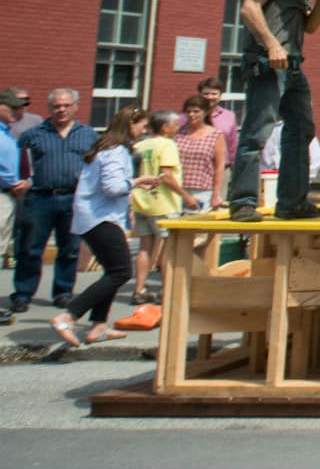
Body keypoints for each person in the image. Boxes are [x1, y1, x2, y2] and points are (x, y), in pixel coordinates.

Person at [228, 0, 320, 223]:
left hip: (292, 65)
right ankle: (242, 202)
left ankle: (292, 202)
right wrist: (271, 43)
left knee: (301, 129)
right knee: (257, 131)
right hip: (268, 61)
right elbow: (249, 8)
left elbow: (310, 26)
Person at [46, 105, 161, 354]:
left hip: (98, 216)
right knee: (121, 272)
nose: (144, 130)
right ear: (130, 125)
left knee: (112, 270)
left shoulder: (108, 148)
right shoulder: (115, 150)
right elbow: (112, 187)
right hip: (100, 218)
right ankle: (68, 315)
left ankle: (99, 325)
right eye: (142, 125)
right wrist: (138, 182)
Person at [11, 88, 96, 314]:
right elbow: (21, 164)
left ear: (75, 107)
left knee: (69, 249)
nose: (61, 110)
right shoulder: (34, 134)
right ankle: (22, 294)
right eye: (57, 106)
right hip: (40, 198)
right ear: (49, 108)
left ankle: (63, 292)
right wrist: (23, 181)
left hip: (73, 199)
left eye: (66, 105)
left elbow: (96, 167)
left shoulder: (88, 135)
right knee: (29, 248)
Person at [129, 110, 193, 306]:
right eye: (175, 125)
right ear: (165, 128)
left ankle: (139, 289)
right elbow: (166, 175)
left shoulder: (139, 144)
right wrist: (186, 196)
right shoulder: (167, 145)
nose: (177, 128)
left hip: (142, 201)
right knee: (167, 247)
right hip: (163, 202)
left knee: (145, 247)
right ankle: (166, 289)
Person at [175, 96, 227, 214]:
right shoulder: (178, 133)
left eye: (196, 111)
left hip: (202, 190)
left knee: (198, 228)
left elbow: (219, 166)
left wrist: (216, 194)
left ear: (206, 112)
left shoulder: (216, 135)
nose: (191, 114)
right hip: (179, 188)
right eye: (188, 111)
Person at [0, 91, 24, 323]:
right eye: (11, 107)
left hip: (7, 195)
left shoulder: (6, 132)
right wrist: (13, 183)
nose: (17, 112)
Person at [192, 77, 239, 165]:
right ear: (199, 95)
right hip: (196, 165)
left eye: (214, 94)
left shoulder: (229, 116)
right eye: (206, 93)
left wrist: (234, 164)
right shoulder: (189, 116)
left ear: (220, 96)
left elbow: (233, 144)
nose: (210, 97)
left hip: (223, 165)